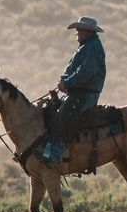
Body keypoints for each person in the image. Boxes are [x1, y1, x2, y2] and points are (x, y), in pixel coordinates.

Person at [39, 15, 107, 165]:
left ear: (88, 32)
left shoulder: (93, 47)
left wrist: (67, 84)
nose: (76, 31)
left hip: (86, 95)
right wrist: (63, 81)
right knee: (51, 109)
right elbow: (71, 69)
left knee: (64, 115)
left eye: (79, 29)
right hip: (78, 92)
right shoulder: (86, 47)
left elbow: (85, 72)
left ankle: (54, 153)